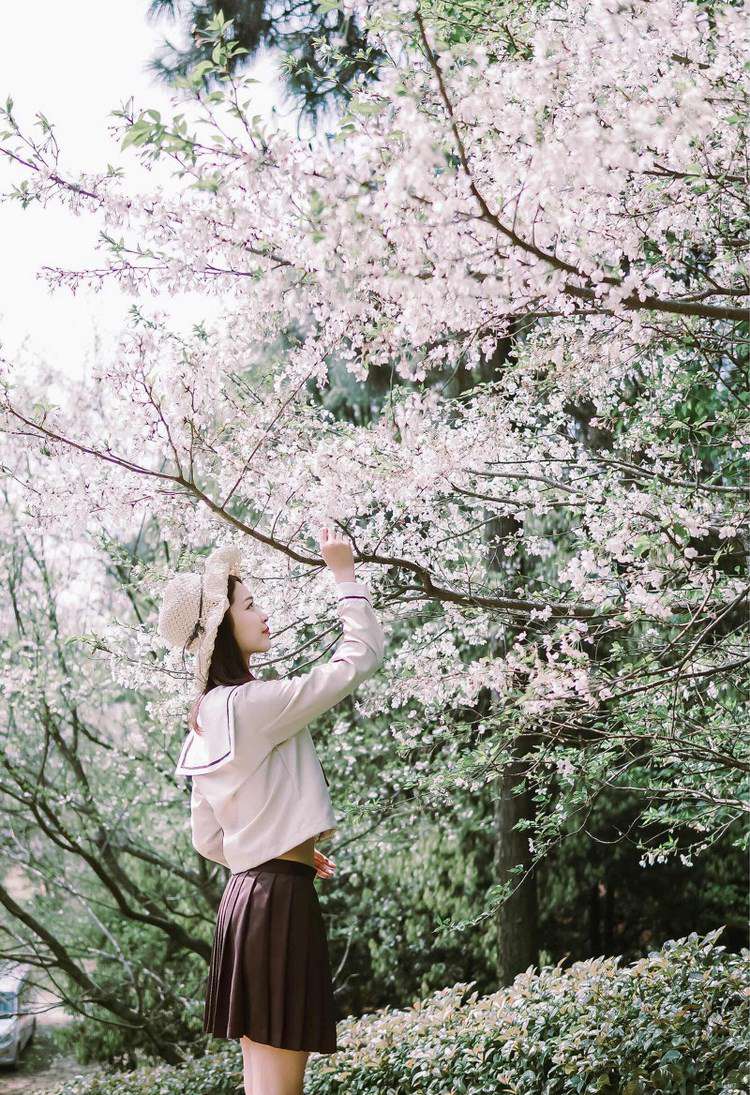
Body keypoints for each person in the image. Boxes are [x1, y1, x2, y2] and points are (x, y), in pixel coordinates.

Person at [157, 526, 385, 1095]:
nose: (263, 614)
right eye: (250, 605)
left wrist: (286, 843)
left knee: (262, 1083)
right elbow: (358, 660)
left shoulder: (206, 715)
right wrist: (343, 575)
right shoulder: (253, 705)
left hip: (244, 902)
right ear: (223, 631)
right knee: (280, 1088)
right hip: (279, 903)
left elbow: (208, 838)